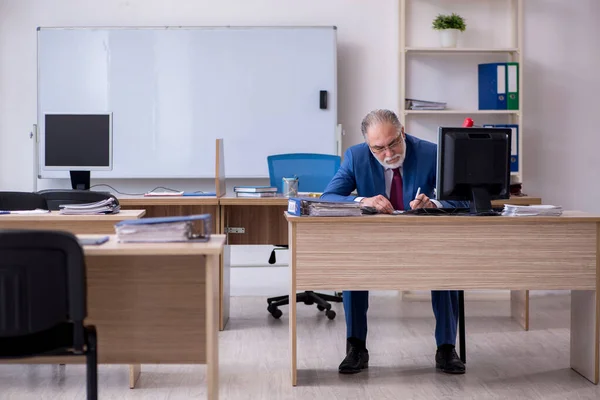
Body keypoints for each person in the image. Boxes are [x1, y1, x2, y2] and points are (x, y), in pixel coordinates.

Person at [321, 109, 468, 375]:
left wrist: (434, 204)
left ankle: (446, 348)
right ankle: (356, 348)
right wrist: (362, 201)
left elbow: (465, 200)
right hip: (375, 242)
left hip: (423, 239)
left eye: (393, 143)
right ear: (368, 145)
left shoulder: (431, 152)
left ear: (402, 132)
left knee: (445, 265)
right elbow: (328, 197)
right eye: (379, 148)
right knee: (355, 268)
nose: (389, 154)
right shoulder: (356, 157)